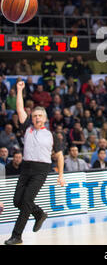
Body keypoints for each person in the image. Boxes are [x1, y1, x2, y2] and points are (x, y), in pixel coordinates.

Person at [4, 81, 65, 245]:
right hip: (26, 168)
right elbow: (19, 109)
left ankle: (17, 236)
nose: (37, 118)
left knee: (26, 203)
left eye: (40, 116)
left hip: (41, 170)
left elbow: (59, 156)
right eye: (35, 116)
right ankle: (39, 214)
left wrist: (60, 175)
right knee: (18, 201)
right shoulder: (27, 128)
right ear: (32, 118)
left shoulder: (51, 135)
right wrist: (19, 90)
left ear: (45, 118)